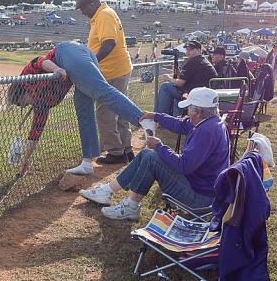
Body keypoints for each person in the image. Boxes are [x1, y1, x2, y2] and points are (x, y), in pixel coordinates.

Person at [79, 87, 230, 220]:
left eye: (189, 108)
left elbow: (184, 166)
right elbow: (180, 124)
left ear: (198, 112)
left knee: (151, 157)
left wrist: (159, 146)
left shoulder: (205, 131)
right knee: (148, 155)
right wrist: (155, 115)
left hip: (200, 199)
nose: (186, 112)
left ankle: (122, 201)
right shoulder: (211, 121)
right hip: (204, 190)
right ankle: (115, 196)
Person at [7, 41, 144, 175]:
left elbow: (39, 61)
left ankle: (142, 118)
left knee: (101, 91)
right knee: (84, 112)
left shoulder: (26, 78)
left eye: (23, 102)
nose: (27, 105)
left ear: (22, 90)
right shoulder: (40, 104)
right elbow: (35, 133)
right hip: (78, 61)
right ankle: (87, 163)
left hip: (66, 52)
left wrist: (56, 69)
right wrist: (26, 158)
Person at [75, 0, 134, 165]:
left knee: (104, 113)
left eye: (83, 8)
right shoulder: (101, 15)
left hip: (113, 71)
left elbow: (109, 43)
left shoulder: (104, 15)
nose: (82, 12)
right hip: (116, 70)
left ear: (93, 3)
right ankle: (126, 149)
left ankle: (116, 152)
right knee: (121, 110)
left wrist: (91, 63)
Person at [155, 40, 217, 116]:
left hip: (194, 93)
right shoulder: (202, 60)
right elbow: (188, 78)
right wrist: (178, 72)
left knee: (165, 86)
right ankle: (171, 116)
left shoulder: (194, 62)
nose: (188, 51)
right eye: (187, 49)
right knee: (174, 91)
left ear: (198, 50)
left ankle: (159, 117)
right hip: (202, 91)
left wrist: (169, 78)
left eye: (191, 49)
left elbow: (180, 83)